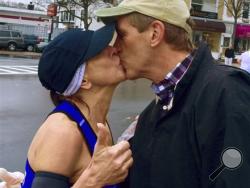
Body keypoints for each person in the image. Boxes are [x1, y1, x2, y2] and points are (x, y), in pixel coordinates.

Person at [96, 0, 250, 187]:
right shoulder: (151, 114)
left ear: (155, 33)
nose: (115, 47)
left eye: (121, 35)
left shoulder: (225, 93)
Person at [21, 23, 133, 188]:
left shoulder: (96, 120)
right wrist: (94, 180)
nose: (113, 49)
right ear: (83, 80)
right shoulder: (62, 131)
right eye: (99, 49)